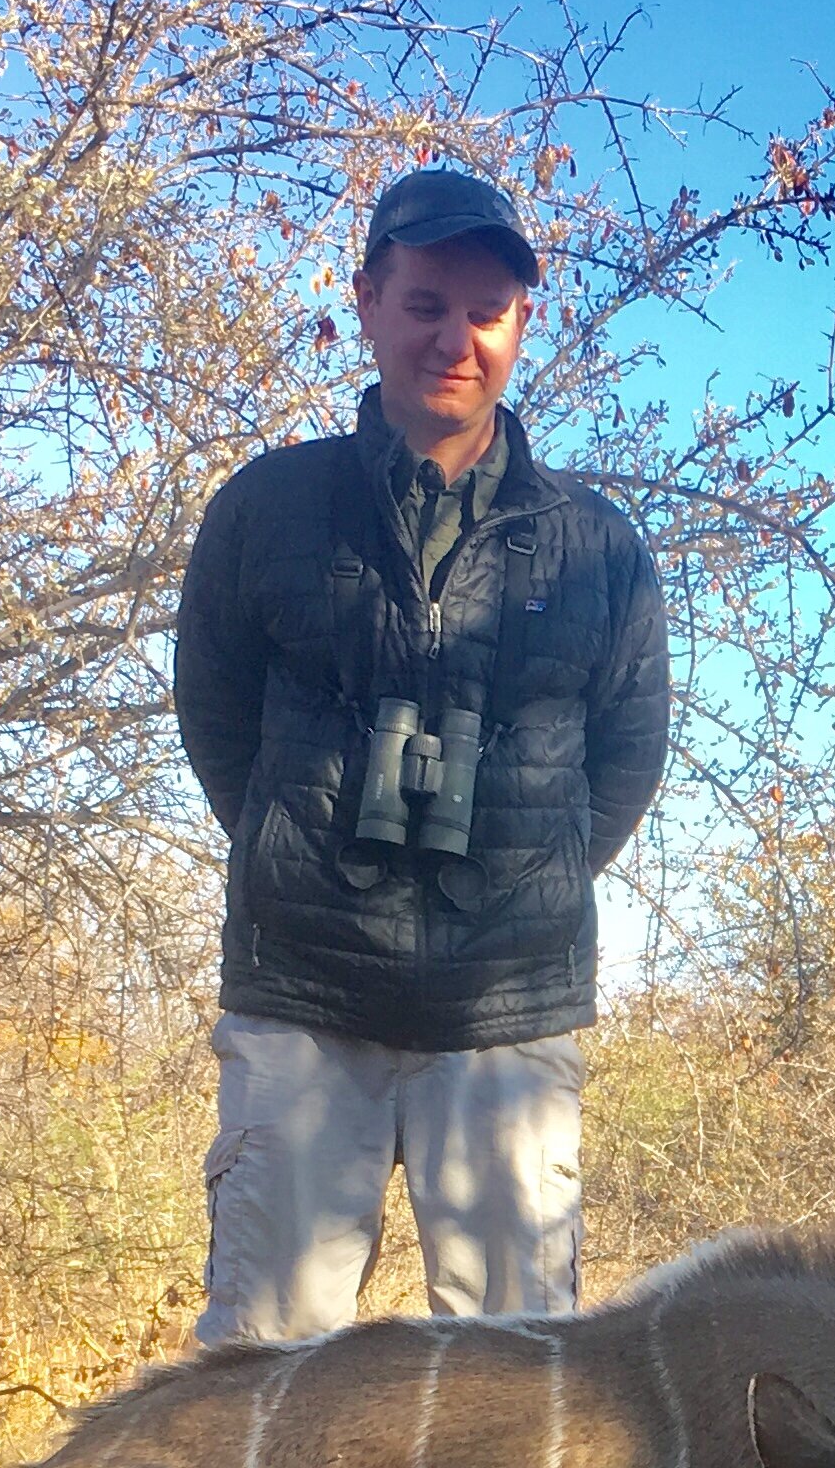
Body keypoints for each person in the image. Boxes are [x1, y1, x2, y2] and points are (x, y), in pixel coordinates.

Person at [172, 163, 669, 1339]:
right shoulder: (268, 506)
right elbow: (218, 723)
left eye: (486, 312)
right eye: (426, 303)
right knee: (260, 1371)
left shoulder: (598, 546)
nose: (457, 337)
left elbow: (625, 761)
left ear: (521, 325)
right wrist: (303, 849)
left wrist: (516, 878)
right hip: (304, 991)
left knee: (517, 1386)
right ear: (368, 304)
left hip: (508, 1005)